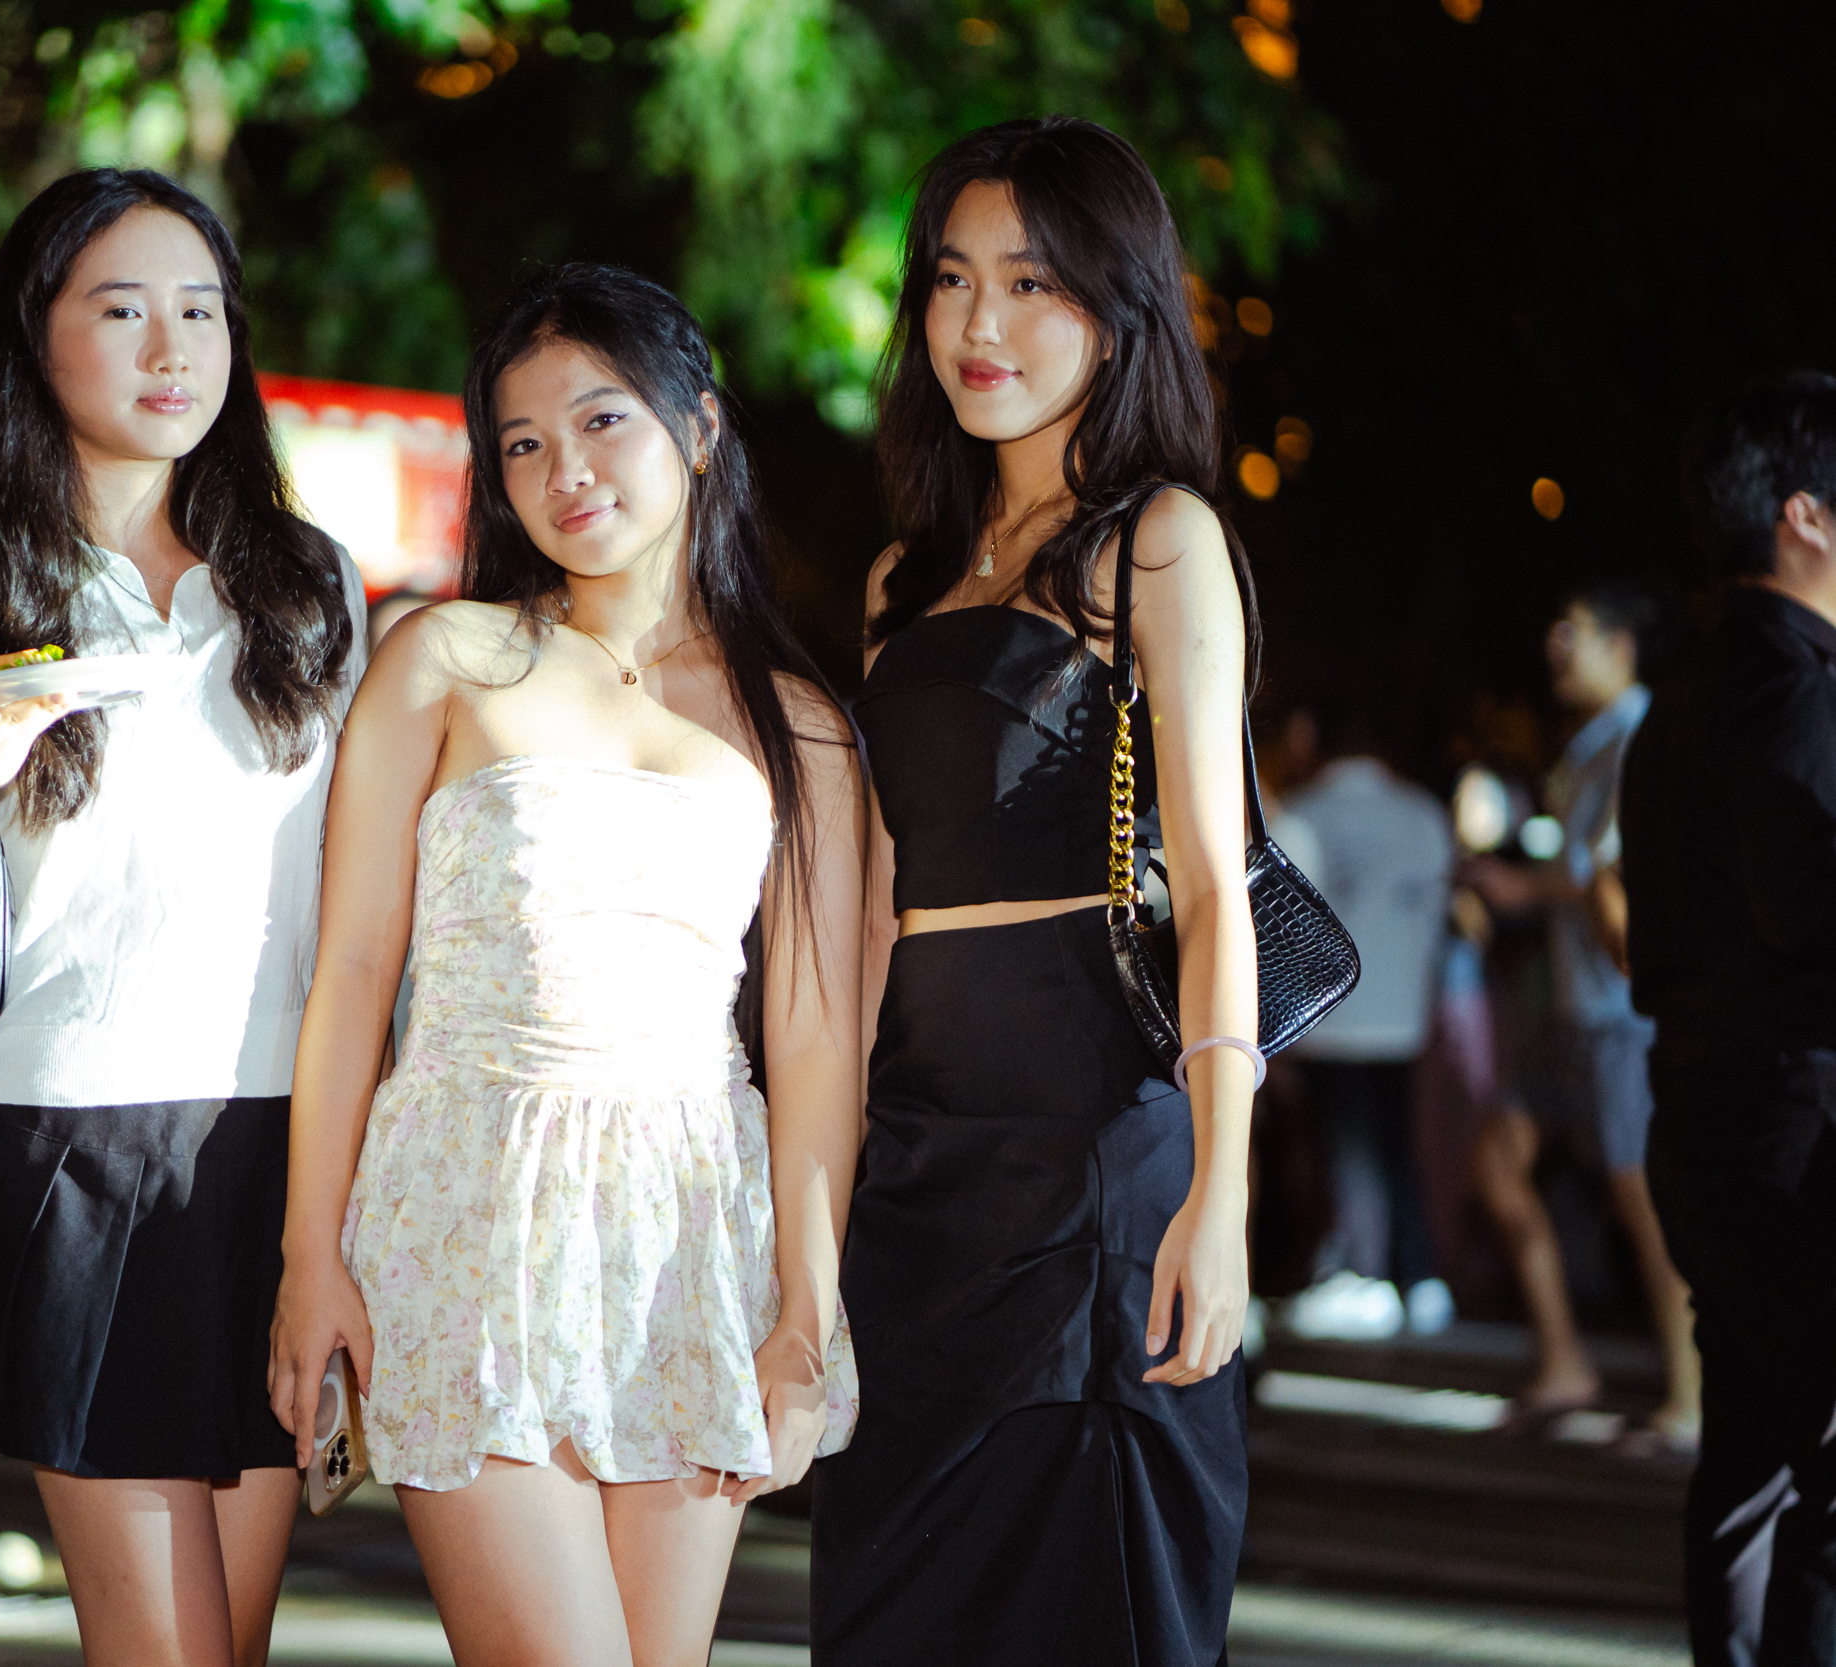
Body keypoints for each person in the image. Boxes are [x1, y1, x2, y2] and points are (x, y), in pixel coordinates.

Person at [269, 263, 859, 1666]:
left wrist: (805, 1307)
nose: (564, 471)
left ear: (697, 427)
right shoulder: (446, 656)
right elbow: (351, 973)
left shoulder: (800, 725)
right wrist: (309, 1253)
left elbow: (816, 1037)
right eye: (523, 444)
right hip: (468, 1209)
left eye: (601, 421)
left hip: (690, 1229)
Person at [0, 168, 363, 1667]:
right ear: (36, 336)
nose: (173, 346)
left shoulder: (310, 591)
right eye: (123, 309)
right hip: (73, 1154)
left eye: (201, 308)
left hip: (281, 1154)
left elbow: (362, 913)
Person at [810, 117, 1257, 1663]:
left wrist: (1222, 1191)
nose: (978, 324)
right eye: (951, 280)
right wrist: (819, 1189)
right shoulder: (902, 576)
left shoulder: (1160, 544)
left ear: (1118, 313)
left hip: (1093, 1159)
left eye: (1030, 283)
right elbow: (873, 908)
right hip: (915, 1166)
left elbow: (1213, 887)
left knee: (1094, 1597)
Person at [1621, 369, 1836, 1667]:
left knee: (1751, 1458)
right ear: (1805, 516)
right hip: (1795, 1123)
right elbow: (1811, 908)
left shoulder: (1682, 697)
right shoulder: (1797, 686)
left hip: (1700, 1112)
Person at [1466, 585, 1699, 1450]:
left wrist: (1524, 887)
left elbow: (1617, 870)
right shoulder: (1592, 743)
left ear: (1622, 644)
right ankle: (1564, 1362)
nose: (1556, 643)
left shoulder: (1642, 737)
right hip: (1572, 1009)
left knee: (1645, 1203)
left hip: (1619, 1012)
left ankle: (1691, 1399)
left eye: (1575, 630)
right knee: (1497, 1164)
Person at [1280, 704, 1456, 1339]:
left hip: (1333, 1018)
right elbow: (1435, 919)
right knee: (1395, 1146)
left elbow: (1288, 926)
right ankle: (1420, 1277)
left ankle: (1363, 1275)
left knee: (1348, 1152)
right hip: (1404, 1015)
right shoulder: (1423, 813)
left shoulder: (1305, 815)